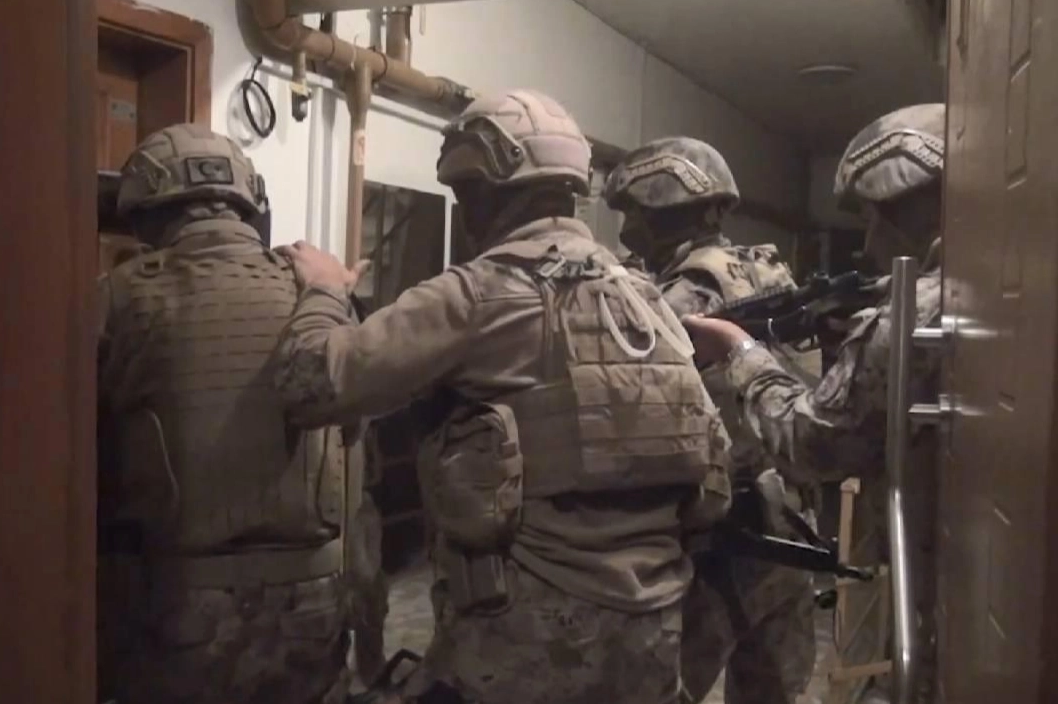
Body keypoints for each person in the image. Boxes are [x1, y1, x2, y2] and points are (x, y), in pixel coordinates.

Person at [271, 88, 731, 704]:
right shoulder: (648, 301)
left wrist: (325, 290)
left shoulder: (476, 294)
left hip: (527, 649)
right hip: (652, 644)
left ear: (480, 196)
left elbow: (310, 386)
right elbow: (710, 477)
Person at [683, 103, 946, 702]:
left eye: (874, 220)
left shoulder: (914, 313)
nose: (869, 242)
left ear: (916, 210)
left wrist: (738, 350)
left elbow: (814, 443)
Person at [96, 124, 353, 704]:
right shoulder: (317, 291)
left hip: (176, 607)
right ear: (245, 200)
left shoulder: (118, 296)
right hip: (312, 602)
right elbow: (355, 444)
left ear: (147, 206)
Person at [604, 136, 818, 704]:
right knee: (772, 689)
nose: (627, 231)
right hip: (785, 519)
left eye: (635, 215)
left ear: (666, 215)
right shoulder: (765, 272)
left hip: (713, 538)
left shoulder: (682, 293)